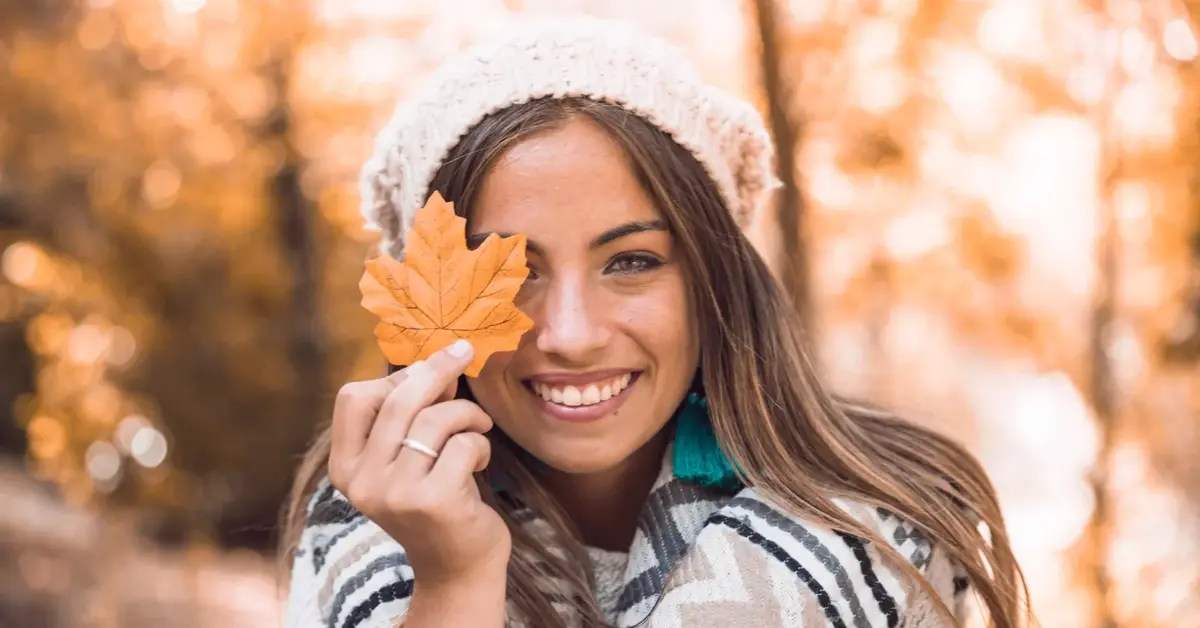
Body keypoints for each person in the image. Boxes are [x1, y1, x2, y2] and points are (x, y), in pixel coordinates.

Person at [281, 15, 1027, 628]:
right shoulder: (365, 537)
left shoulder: (886, 528)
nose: (570, 333)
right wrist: (452, 582)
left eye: (632, 261)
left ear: (715, 281)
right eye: (510, 274)